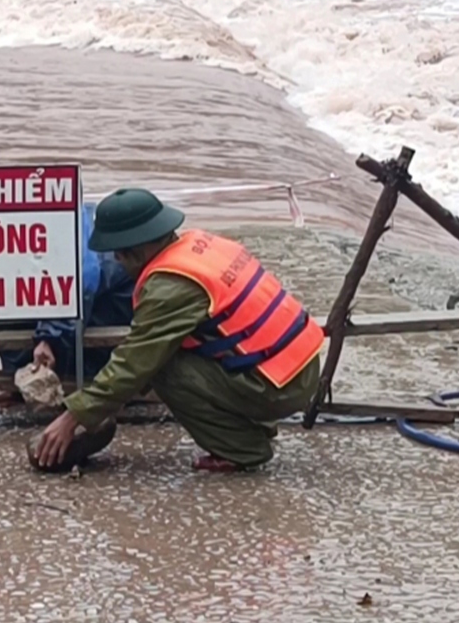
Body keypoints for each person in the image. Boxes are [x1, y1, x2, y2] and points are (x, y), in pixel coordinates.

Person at [32, 188, 324, 472]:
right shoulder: (201, 244)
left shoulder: (170, 287)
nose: (118, 262)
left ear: (138, 250)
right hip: (298, 364)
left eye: (120, 256)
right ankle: (250, 419)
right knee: (171, 354)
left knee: (162, 368)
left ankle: (242, 448)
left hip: (281, 384)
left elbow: (133, 364)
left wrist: (72, 418)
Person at [0, 203, 135, 404]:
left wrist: (49, 339)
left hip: (106, 305)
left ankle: (76, 381)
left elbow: (79, 288)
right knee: (14, 296)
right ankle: (20, 380)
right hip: (68, 299)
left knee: (76, 317)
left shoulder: (78, 235)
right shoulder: (14, 234)